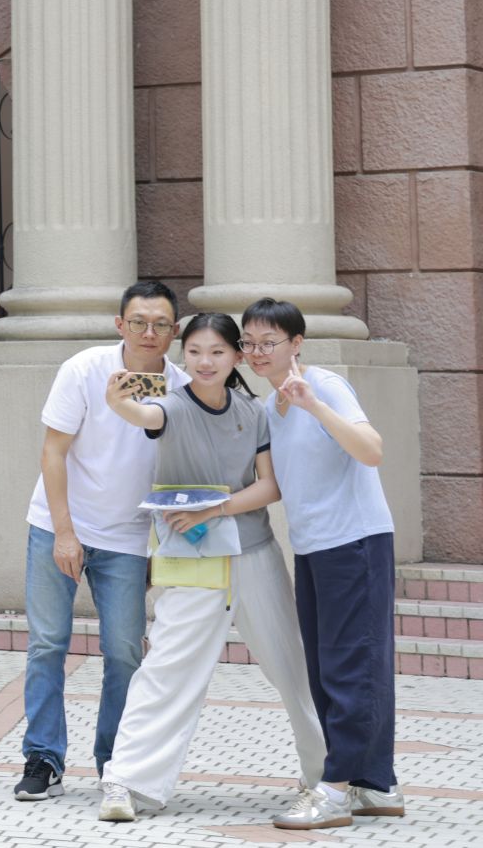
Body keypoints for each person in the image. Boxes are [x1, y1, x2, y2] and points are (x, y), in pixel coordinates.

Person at [95, 312, 325, 822]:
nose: (205, 361)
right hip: (193, 561)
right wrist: (118, 405)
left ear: (236, 356)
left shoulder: (252, 412)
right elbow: (144, 416)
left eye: (217, 351)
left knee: (293, 668)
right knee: (167, 669)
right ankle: (125, 784)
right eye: (195, 351)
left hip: (255, 553)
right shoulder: (171, 405)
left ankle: (328, 775)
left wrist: (213, 509)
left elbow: (270, 486)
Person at [14, 280, 188, 802]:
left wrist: (159, 549)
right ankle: (43, 757)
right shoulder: (84, 369)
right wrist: (65, 533)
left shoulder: (182, 387)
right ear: (120, 325)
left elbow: (176, 472)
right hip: (58, 525)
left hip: (129, 538)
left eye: (160, 324)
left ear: (175, 331)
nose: (149, 333)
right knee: (48, 644)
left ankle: (115, 761)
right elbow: (53, 452)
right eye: (138, 322)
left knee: (125, 653)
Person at [239, 297, 402, 830]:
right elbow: (280, 485)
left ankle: (334, 790)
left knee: (349, 666)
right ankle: (374, 784)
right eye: (249, 343)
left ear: (296, 344)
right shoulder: (270, 408)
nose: (258, 352)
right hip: (313, 549)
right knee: (329, 668)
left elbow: (372, 450)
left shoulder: (324, 386)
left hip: (356, 542)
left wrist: (313, 405)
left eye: (269, 342)